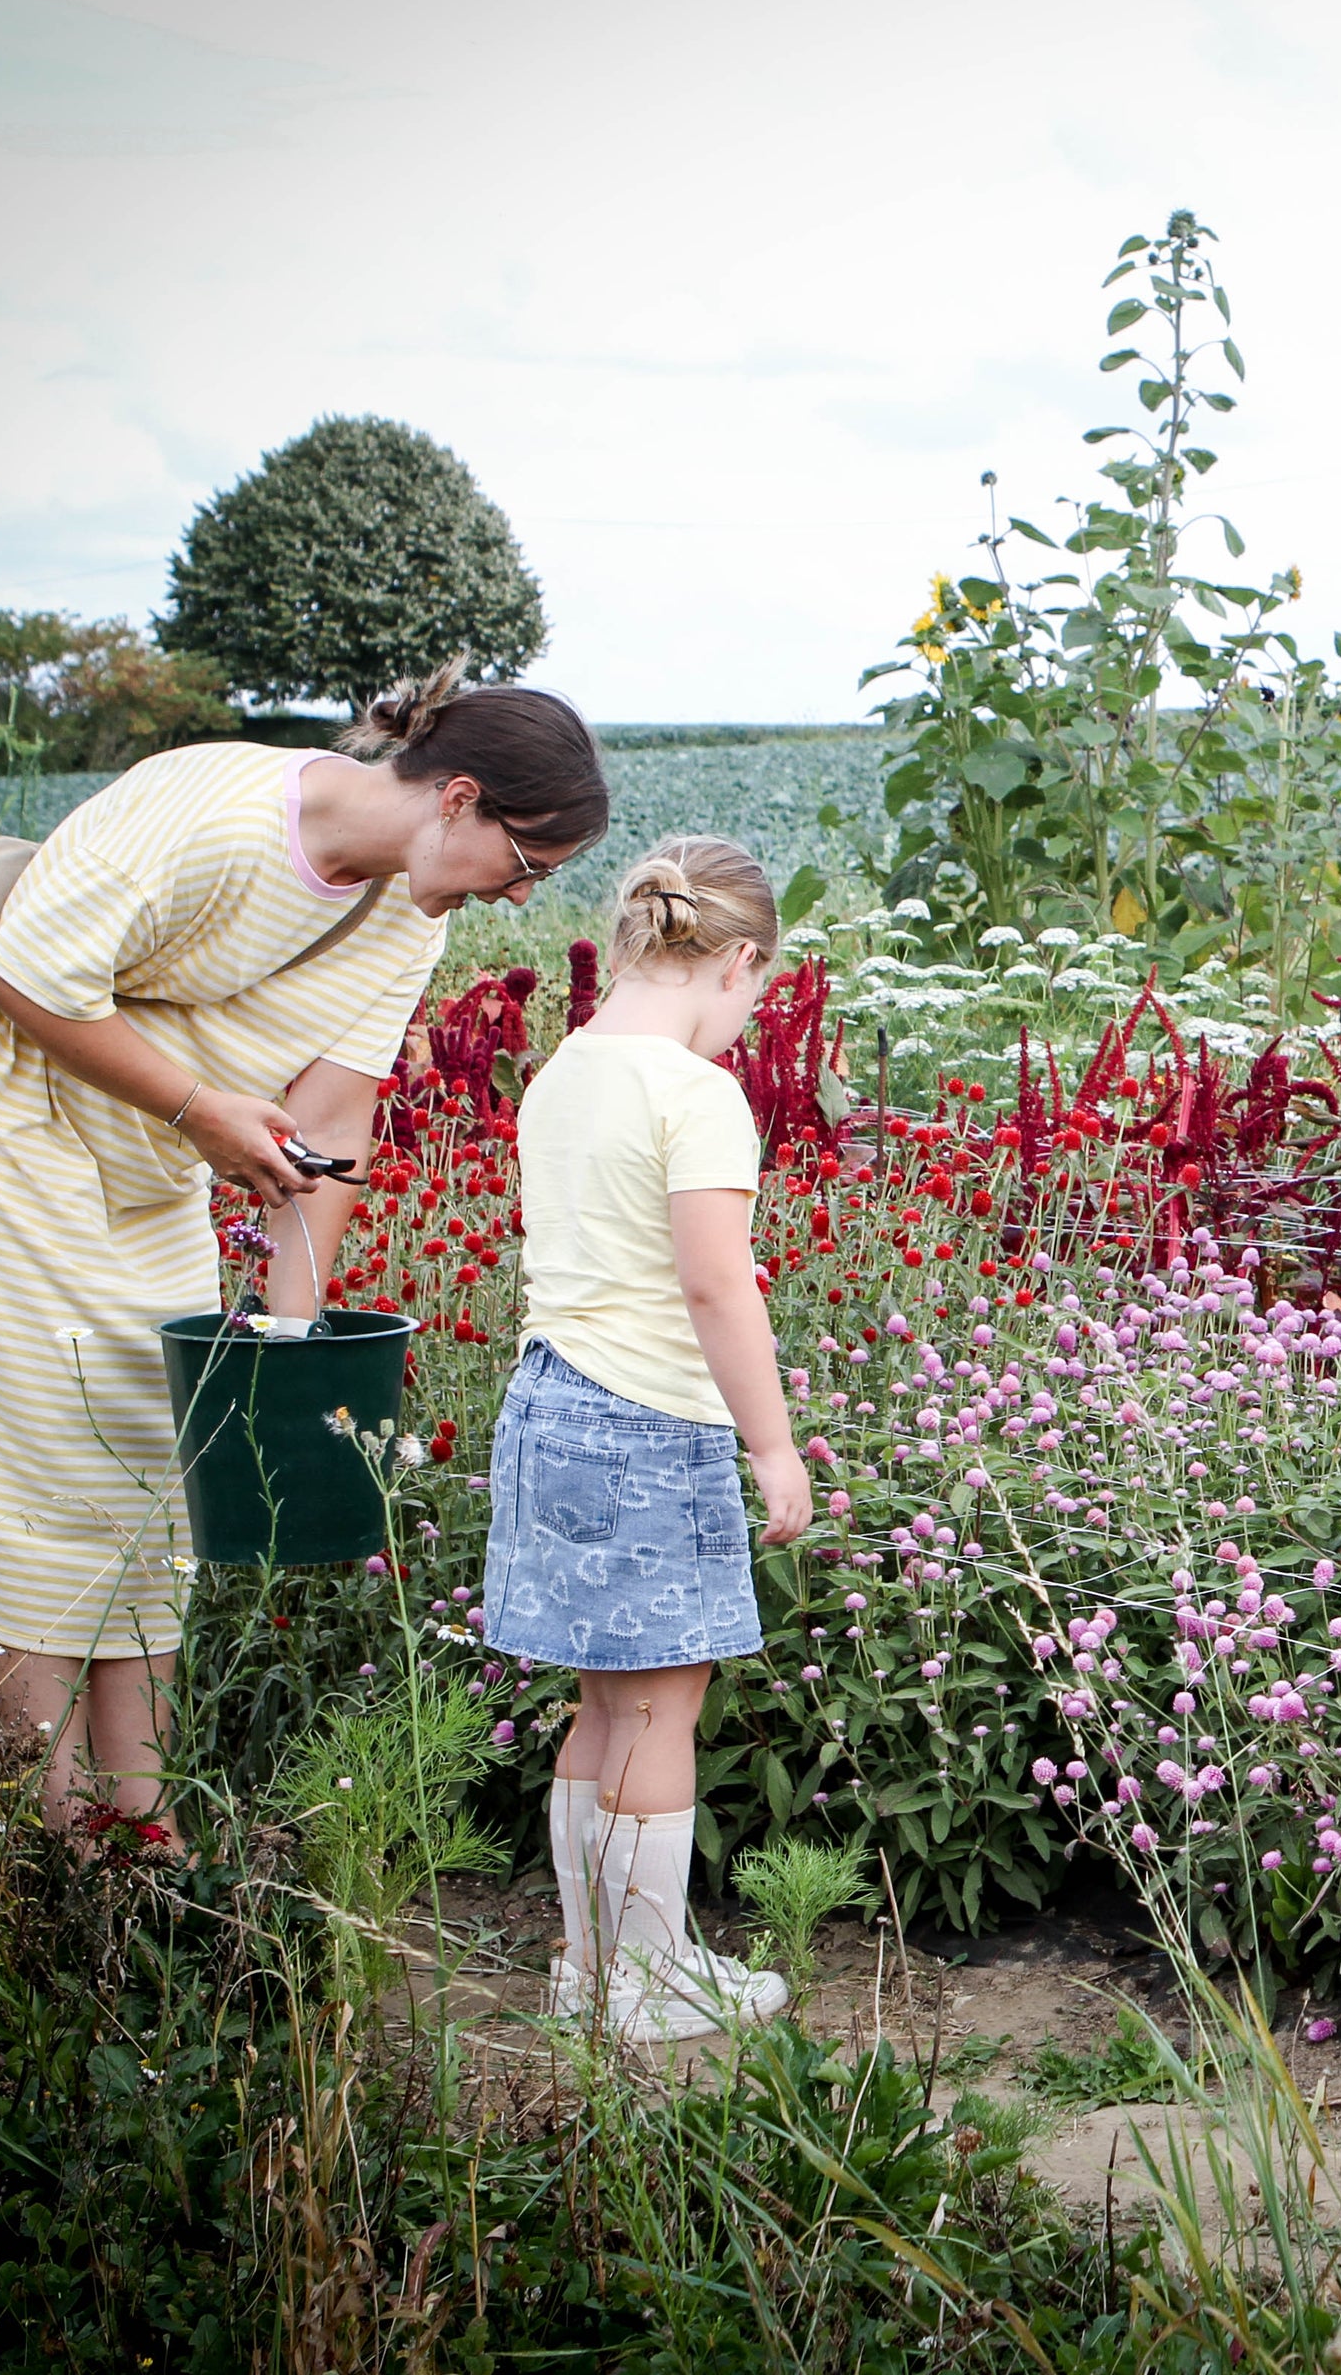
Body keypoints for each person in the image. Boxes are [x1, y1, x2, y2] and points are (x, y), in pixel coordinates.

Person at [0, 672, 607, 1846]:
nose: (519, 895)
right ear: (459, 798)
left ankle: (145, 1827)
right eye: (528, 863)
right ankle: (64, 1838)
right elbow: (25, 975)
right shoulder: (215, 808)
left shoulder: (407, 911)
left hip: (137, 1163)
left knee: (150, 1460)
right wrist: (199, 1111)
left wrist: (294, 1346)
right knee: (39, 1460)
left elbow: (332, 1129)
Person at [485, 837, 807, 2041]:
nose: (748, 1021)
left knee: (600, 1705)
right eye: (757, 993)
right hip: (649, 1422)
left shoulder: (564, 1070)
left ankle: (589, 1967)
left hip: (549, 1402)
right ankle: (653, 1983)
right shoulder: (695, 1094)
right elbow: (718, 1288)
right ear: (735, 960)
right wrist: (772, 1447)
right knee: (662, 1715)